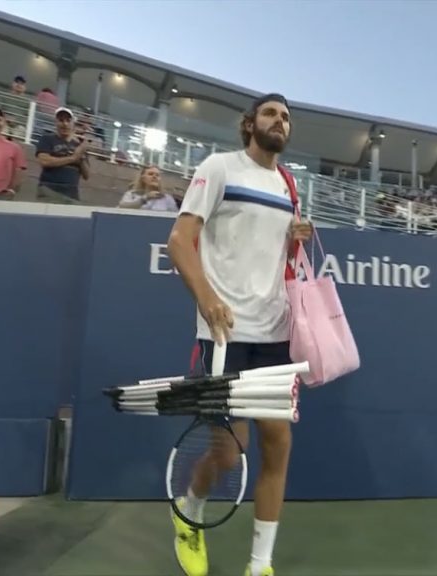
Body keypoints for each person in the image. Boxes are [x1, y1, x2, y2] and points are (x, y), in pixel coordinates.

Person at [167, 93, 312, 576]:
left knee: (279, 445)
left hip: (275, 333)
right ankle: (189, 513)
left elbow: (268, 248)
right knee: (229, 454)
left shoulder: (290, 186)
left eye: (286, 117)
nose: (280, 122)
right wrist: (207, 300)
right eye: (271, 114)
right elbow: (178, 240)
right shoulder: (219, 168)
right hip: (224, 334)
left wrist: (295, 235)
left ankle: (260, 564)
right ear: (250, 124)